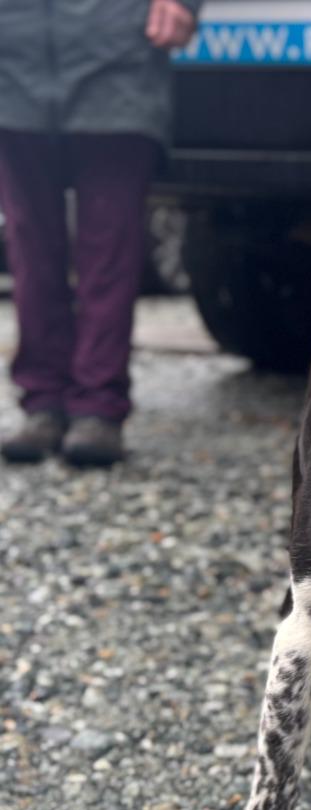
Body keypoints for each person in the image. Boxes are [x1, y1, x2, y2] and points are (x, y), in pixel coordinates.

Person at [0, 0, 201, 467]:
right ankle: (43, 401)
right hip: (12, 50)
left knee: (109, 248)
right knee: (29, 246)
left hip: (118, 51)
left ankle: (98, 408)